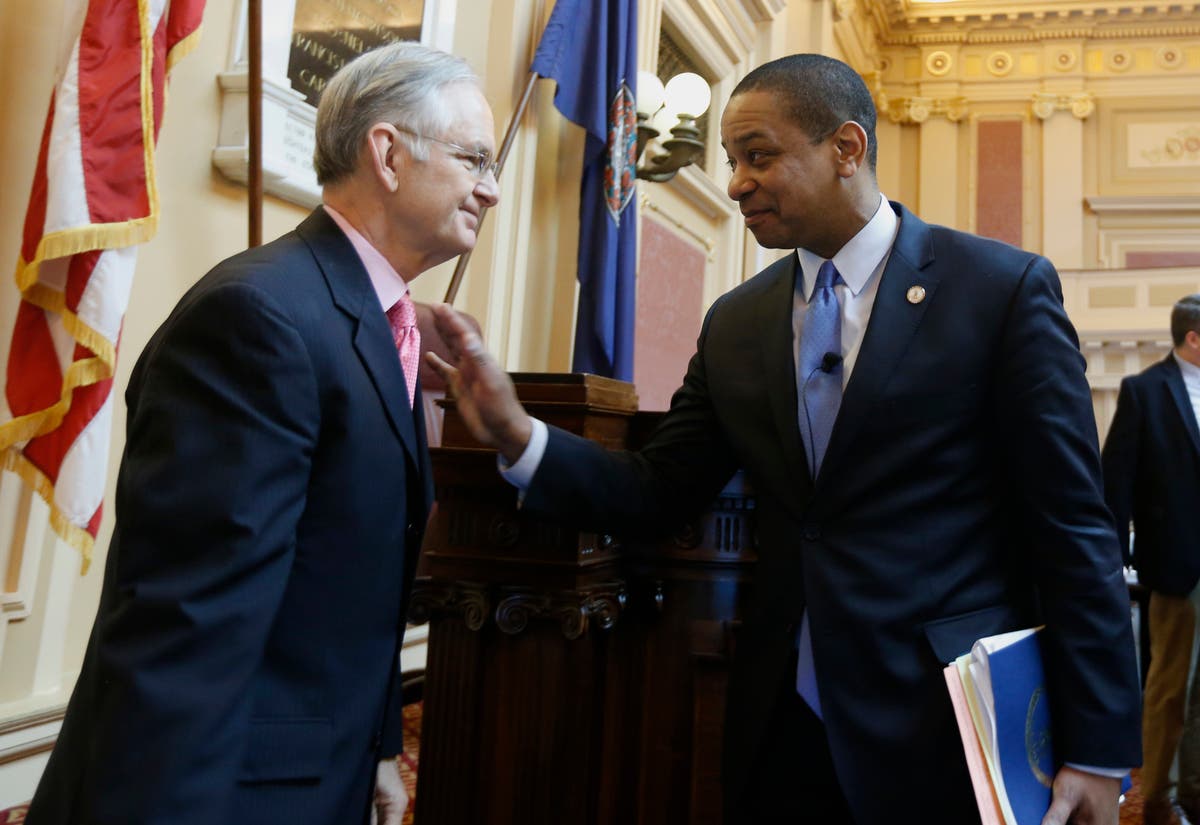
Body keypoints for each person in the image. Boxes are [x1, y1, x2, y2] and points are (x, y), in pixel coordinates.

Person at [426, 53, 1140, 824]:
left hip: (943, 726)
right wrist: (517, 433)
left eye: (758, 156)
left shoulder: (999, 291)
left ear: (846, 149)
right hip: (779, 725)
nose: (736, 183)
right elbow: (659, 488)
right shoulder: (737, 322)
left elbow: (1073, 527)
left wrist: (1097, 747)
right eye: (732, 161)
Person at [25, 42, 499, 825]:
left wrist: (376, 746)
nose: (491, 188)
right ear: (388, 154)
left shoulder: (377, 321)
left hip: (314, 767)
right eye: (475, 159)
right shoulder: (259, 318)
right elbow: (189, 628)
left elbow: (352, 583)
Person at [1102, 293, 1200, 825]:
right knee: (1169, 691)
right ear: (1193, 338)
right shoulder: (1144, 391)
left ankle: (1195, 792)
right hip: (1180, 569)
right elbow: (1115, 483)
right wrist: (1113, 565)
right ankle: (1158, 797)